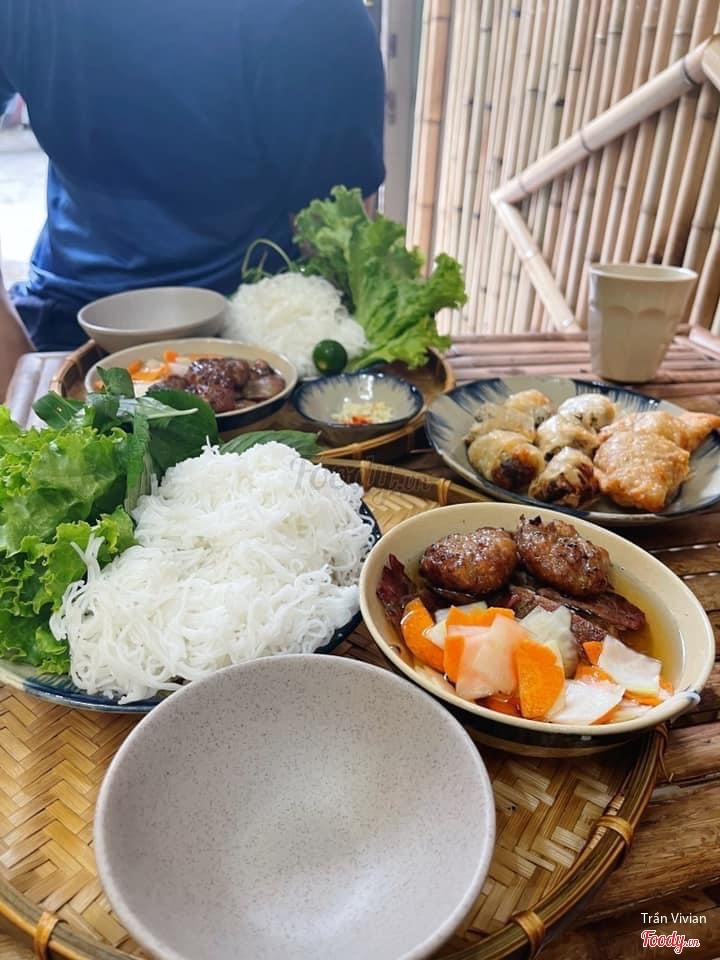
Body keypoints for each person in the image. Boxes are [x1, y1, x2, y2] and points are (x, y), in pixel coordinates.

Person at [0, 0, 385, 395]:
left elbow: (334, 242)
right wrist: (17, 371)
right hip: (65, 321)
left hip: (254, 335)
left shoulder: (312, 17)